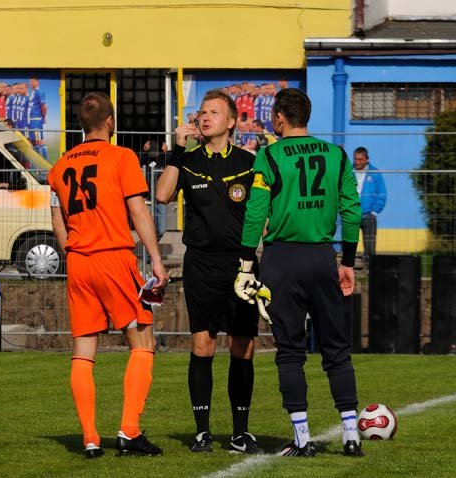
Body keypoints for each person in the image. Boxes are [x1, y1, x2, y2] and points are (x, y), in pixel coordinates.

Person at [234, 88, 365, 458]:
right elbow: (351, 211)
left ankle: (303, 439)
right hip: (323, 256)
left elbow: (256, 213)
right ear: (306, 116)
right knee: (337, 348)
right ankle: (351, 435)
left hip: (282, 259)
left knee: (290, 351)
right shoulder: (336, 155)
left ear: (278, 118)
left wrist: (246, 262)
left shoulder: (270, 155)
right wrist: (348, 261)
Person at [48, 91, 169, 459]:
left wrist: (75, 251)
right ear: (111, 122)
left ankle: (89, 438)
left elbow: (58, 222)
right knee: (143, 344)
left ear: (82, 125)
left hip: (78, 261)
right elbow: (139, 212)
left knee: (83, 352)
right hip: (113, 257)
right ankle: (129, 432)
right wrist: (156, 261)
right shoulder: (122, 156)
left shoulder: (61, 165)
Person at [156, 89, 263, 454]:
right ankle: (202, 431)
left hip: (240, 266)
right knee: (202, 344)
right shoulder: (188, 160)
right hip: (200, 263)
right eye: (202, 112)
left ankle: (240, 431)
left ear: (231, 122)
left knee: (242, 347)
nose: (204, 117)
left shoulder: (250, 163)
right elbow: (162, 195)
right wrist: (177, 149)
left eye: (213, 113)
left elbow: (265, 212)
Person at [352, 146, 387, 267]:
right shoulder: (348, 172)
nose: (357, 162)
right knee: (349, 243)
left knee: (370, 245)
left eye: (360, 159)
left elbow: (381, 194)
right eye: (355, 159)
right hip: (352, 214)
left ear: (367, 159)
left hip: (368, 215)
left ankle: (369, 269)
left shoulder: (375, 173)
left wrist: (374, 212)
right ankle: (350, 267)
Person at [28, 76, 48, 159]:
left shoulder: (39, 92)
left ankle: (45, 164)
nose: (30, 83)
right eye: (30, 82)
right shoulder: (32, 92)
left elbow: (44, 106)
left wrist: (43, 117)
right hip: (31, 121)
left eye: (32, 81)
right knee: (33, 142)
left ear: (37, 82)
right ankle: (36, 163)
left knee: (39, 141)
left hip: (36, 121)